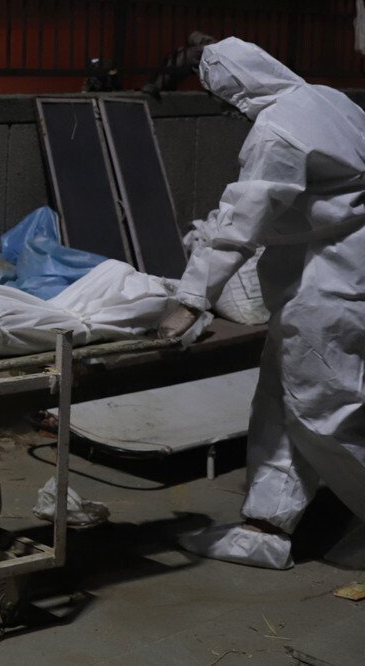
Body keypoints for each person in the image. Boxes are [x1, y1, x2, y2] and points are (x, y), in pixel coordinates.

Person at [160, 36, 365, 570]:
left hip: (331, 286)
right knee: (277, 402)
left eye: (224, 103)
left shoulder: (275, 129)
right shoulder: (326, 99)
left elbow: (241, 219)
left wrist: (190, 299)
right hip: (328, 276)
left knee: (326, 415)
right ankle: (264, 529)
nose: (229, 114)